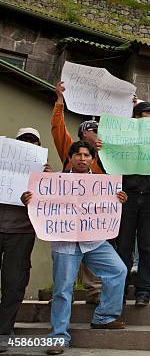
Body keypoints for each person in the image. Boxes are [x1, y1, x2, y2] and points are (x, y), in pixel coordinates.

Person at [21, 141, 127, 355]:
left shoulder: (103, 185)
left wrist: (118, 200)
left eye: (87, 155)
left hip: (95, 241)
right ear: (70, 158)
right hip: (65, 242)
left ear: (93, 159)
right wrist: (28, 200)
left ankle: (104, 317)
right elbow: (39, 203)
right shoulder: (53, 183)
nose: (82, 158)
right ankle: (58, 336)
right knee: (63, 289)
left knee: (118, 270)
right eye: (77, 154)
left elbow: (108, 207)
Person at [103, 101, 150, 307]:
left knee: (147, 245)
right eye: (147, 114)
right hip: (126, 197)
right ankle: (121, 289)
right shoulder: (121, 139)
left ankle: (143, 291)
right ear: (136, 118)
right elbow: (108, 162)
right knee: (124, 245)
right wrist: (103, 148)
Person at [51, 81, 103, 304]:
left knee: (92, 249)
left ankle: (94, 291)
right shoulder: (70, 150)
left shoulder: (105, 157)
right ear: (83, 133)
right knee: (65, 256)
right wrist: (60, 101)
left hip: (92, 215)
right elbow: (57, 128)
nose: (100, 133)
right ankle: (64, 293)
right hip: (67, 215)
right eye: (95, 130)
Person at [0, 128, 51, 351]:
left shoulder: (45, 172)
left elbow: (56, 203)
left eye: (33, 141)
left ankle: (3, 330)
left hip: (21, 233)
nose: (28, 144)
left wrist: (49, 180)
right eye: (24, 141)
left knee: (14, 282)